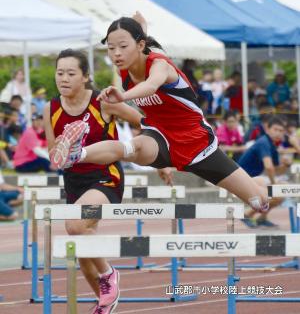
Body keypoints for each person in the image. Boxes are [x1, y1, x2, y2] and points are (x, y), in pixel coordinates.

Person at [51, 14, 270, 218]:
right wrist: (139, 27)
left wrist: (123, 95)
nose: (116, 53)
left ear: (140, 45)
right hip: (160, 137)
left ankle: (255, 185)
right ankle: (76, 154)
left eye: (123, 46)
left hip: (196, 143)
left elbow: (151, 85)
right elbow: (137, 44)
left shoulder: (160, 65)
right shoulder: (124, 69)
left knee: (259, 202)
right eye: (111, 48)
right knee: (130, 148)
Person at [44, 48, 170, 314]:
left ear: (85, 76)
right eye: (59, 73)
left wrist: (159, 161)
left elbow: (145, 123)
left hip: (105, 177)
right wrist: (62, 149)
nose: (63, 78)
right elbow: (54, 153)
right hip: (74, 182)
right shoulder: (51, 108)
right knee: (82, 245)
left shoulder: (103, 102)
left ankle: (109, 273)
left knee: (76, 226)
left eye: (70, 73)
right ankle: (104, 301)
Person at [238, 116, 292, 228]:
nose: (278, 133)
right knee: (280, 188)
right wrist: (274, 185)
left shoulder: (272, 146)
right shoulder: (264, 142)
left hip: (253, 179)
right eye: (275, 129)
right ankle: (247, 214)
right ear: (268, 129)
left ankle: (261, 218)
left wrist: (286, 165)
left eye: (281, 131)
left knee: (284, 189)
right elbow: (269, 167)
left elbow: (276, 170)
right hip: (241, 179)